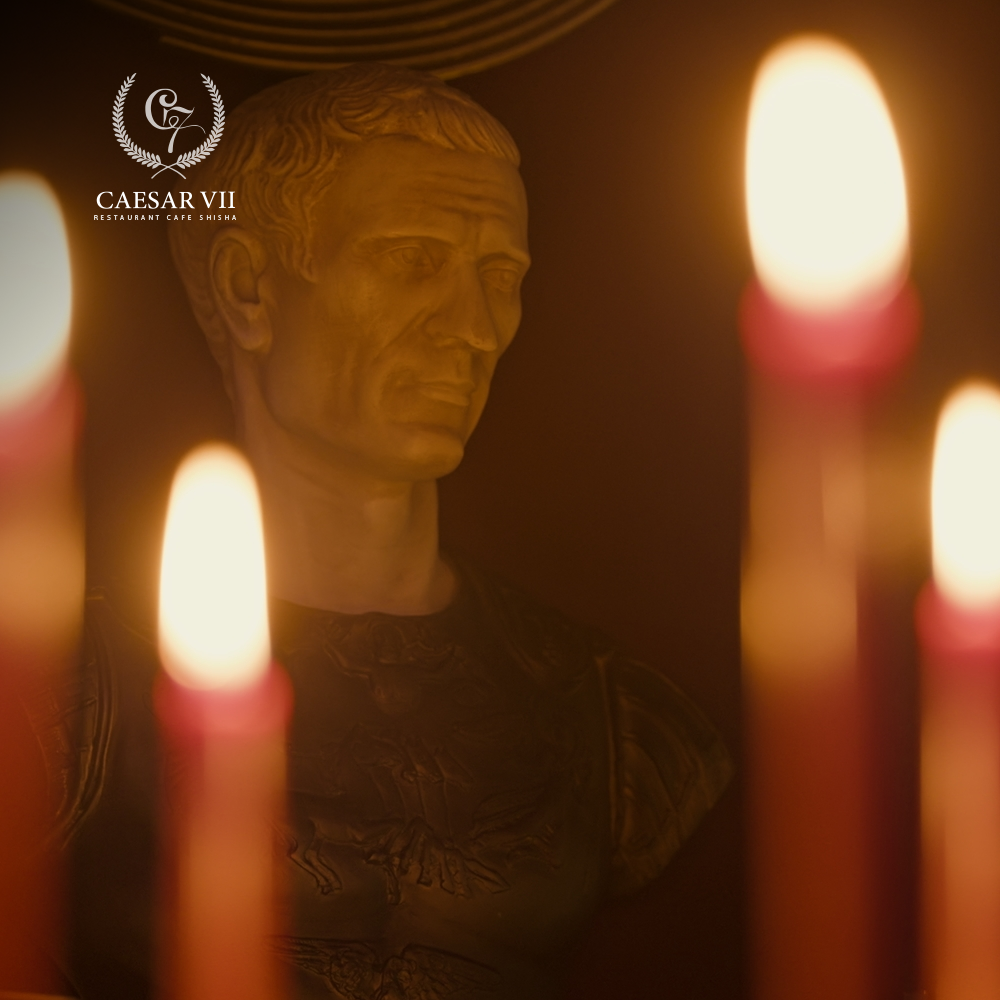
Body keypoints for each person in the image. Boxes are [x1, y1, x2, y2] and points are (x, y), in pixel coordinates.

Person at [66, 64, 731, 1000]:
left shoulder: (608, 713)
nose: (475, 328)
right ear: (250, 287)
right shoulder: (64, 688)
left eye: (500, 277)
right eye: (414, 259)